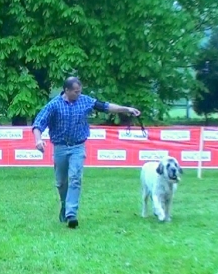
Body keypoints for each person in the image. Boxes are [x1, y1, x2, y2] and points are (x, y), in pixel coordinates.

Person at [31, 76, 141, 229]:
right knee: (61, 183)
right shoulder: (54, 105)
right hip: (60, 147)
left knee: (75, 178)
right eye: (76, 92)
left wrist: (126, 109)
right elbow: (38, 123)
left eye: (80, 91)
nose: (78, 94)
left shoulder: (85, 101)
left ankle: (71, 214)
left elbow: (105, 106)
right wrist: (38, 140)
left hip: (78, 146)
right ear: (66, 90)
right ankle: (64, 205)